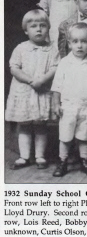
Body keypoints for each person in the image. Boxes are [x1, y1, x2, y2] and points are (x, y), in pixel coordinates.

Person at [6, 10, 60, 170]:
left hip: (42, 91)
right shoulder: (21, 48)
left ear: (48, 29)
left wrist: (42, 79)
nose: (38, 29)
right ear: (25, 30)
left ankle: (40, 156)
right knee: (24, 124)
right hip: (24, 92)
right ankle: (24, 156)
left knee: (40, 125)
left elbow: (55, 67)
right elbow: (14, 68)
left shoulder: (52, 49)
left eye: (42, 26)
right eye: (34, 26)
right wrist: (30, 80)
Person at [51, 23, 87, 177]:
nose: (79, 46)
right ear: (69, 43)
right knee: (65, 136)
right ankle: (63, 161)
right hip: (68, 107)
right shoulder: (64, 63)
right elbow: (57, 86)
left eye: (84, 41)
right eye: (75, 42)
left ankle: (85, 161)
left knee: (84, 135)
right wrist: (56, 104)